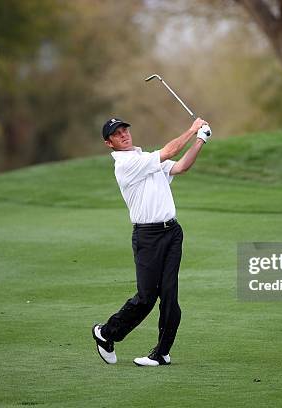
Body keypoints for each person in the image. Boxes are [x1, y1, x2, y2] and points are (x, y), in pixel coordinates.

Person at [92, 116, 210, 366]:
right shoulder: (126, 164)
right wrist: (192, 129)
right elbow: (169, 151)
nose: (124, 134)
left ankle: (162, 353)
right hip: (148, 236)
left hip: (172, 232)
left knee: (170, 297)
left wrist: (200, 140)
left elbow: (180, 167)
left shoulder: (145, 159)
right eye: (117, 133)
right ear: (109, 143)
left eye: (125, 129)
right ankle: (106, 333)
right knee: (146, 297)